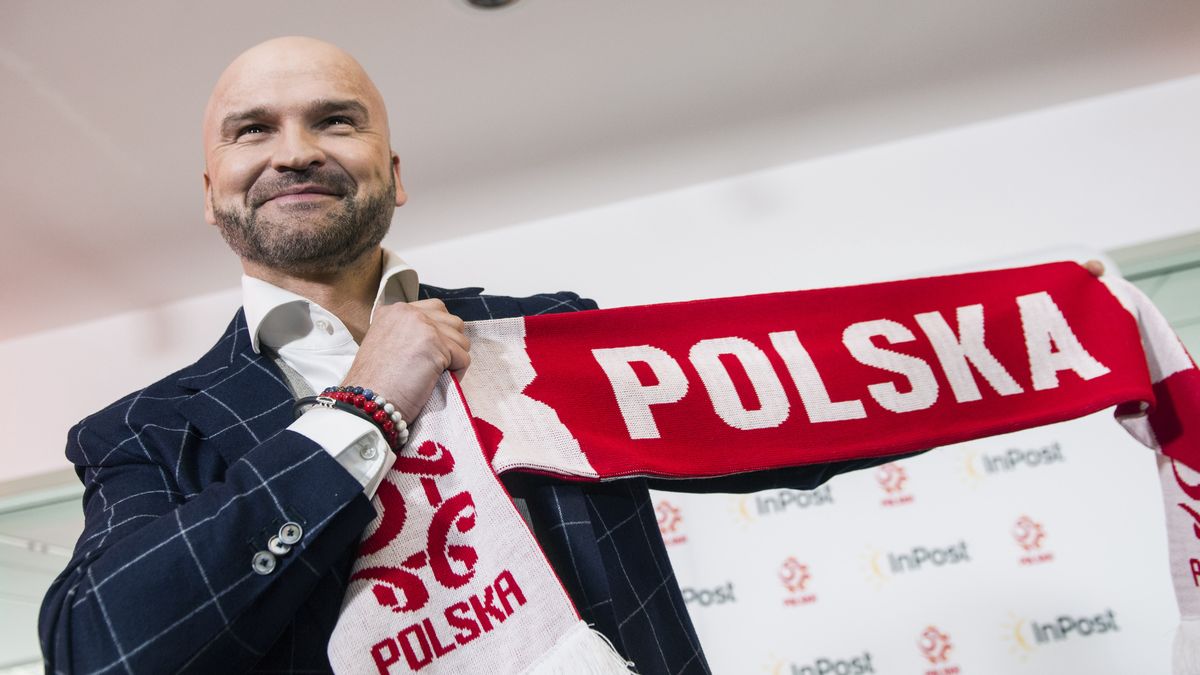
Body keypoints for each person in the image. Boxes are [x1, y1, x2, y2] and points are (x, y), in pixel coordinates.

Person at [38, 36, 1108, 674]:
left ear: (393, 172)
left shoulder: (541, 334)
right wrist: (363, 412)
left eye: (335, 120)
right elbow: (107, 651)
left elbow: (796, 393)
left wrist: (1059, 335)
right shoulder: (144, 432)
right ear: (214, 190)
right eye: (252, 130)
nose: (297, 150)